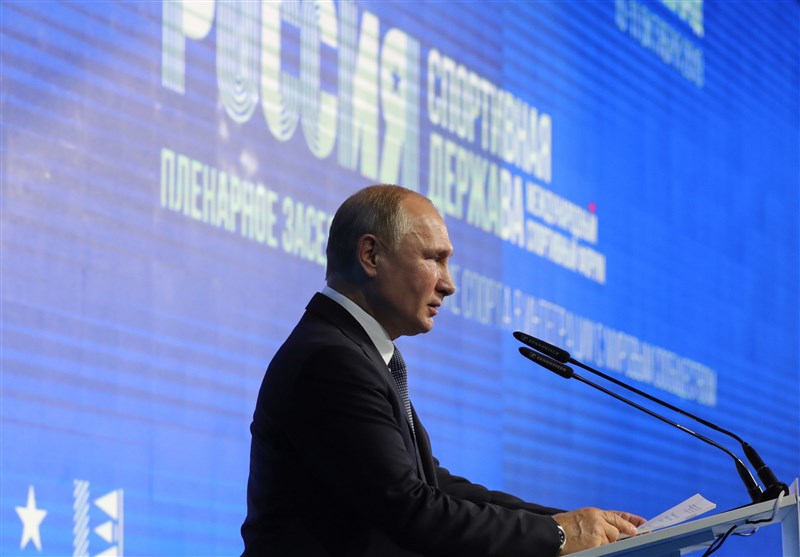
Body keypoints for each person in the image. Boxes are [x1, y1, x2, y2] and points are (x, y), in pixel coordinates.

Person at [241, 184, 644, 556]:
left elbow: (433, 485)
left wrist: (570, 523)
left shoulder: (352, 351)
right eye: (434, 259)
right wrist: (559, 533)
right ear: (371, 255)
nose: (448, 284)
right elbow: (411, 509)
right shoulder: (332, 361)